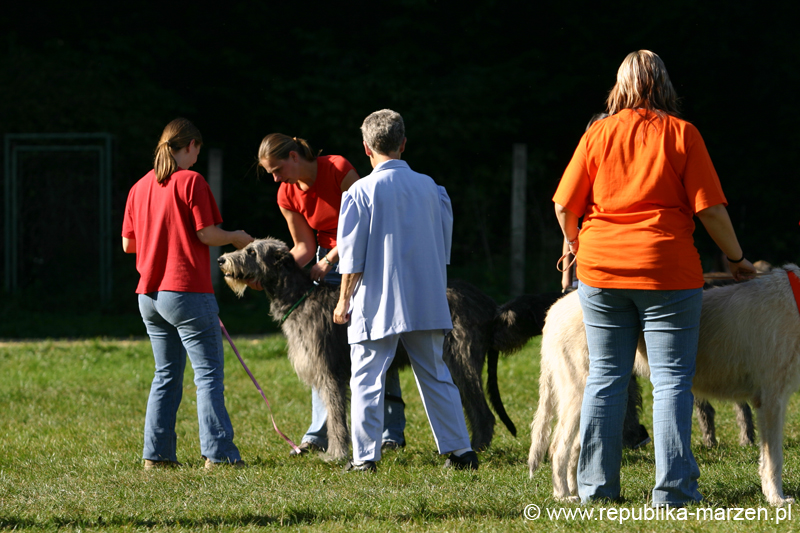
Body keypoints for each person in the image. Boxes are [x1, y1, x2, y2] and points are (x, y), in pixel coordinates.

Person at [553, 51, 756, 506]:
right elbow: (711, 210)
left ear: (619, 86)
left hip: (601, 272)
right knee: (671, 381)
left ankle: (596, 490)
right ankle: (674, 491)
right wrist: (736, 258)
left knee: (606, 378)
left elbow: (565, 206)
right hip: (667, 271)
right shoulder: (683, 134)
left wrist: (573, 243)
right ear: (665, 84)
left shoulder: (597, 133)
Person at [333, 109, 477, 472]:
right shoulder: (432, 188)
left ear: (366, 148)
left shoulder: (359, 192)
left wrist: (343, 300)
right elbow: (442, 249)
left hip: (377, 299)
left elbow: (352, 259)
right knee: (435, 372)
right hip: (426, 297)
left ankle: (365, 457)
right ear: (403, 143)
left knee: (366, 376)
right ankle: (461, 451)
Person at [257, 133, 407, 455]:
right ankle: (319, 433)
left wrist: (328, 259)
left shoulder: (337, 168)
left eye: (277, 168)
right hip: (326, 265)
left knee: (379, 340)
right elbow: (303, 247)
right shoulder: (287, 193)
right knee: (322, 348)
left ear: (294, 156)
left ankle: (391, 431)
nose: (275, 178)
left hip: (366, 257)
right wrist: (275, 272)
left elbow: (366, 222)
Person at [122, 118, 254, 470]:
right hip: (185, 290)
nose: (197, 156)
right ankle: (219, 454)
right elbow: (207, 234)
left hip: (148, 295)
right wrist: (237, 237)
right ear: (191, 146)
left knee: (165, 374)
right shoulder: (191, 181)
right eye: (197, 149)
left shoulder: (139, 187)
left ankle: (157, 456)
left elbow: (127, 244)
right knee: (208, 373)